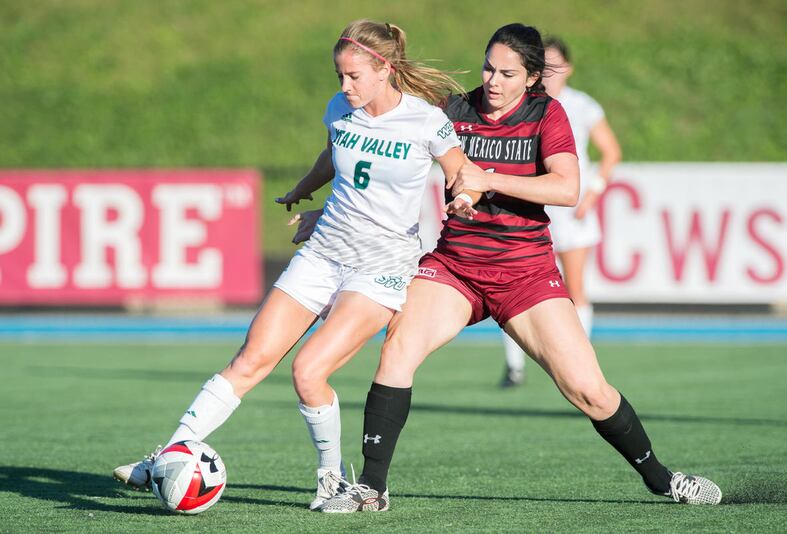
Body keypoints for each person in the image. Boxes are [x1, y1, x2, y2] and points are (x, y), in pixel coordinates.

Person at [319, 23, 721, 513]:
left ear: (531, 78)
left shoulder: (547, 114)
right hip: (456, 267)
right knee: (398, 348)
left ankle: (663, 479)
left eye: (508, 73)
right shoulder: (453, 110)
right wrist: (331, 209)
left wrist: (490, 178)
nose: (493, 79)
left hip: (525, 274)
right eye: (489, 66)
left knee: (588, 390)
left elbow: (567, 189)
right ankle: (372, 487)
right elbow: (388, 160)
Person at [112, 19, 475, 511]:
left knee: (308, 371)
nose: (344, 87)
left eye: (354, 76)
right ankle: (168, 456)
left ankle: (330, 480)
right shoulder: (340, 109)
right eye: (339, 76)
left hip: (381, 268)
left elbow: (459, 171)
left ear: (384, 69)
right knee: (250, 359)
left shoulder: (425, 120)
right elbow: (334, 153)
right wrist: (305, 188)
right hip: (324, 252)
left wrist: (465, 198)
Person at [498, 35, 623, 388]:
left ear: (567, 68)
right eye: (544, 65)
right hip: (527, 204)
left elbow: (611, 152)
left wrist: (592, 194)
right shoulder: (522, 103)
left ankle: (580, 361)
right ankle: (513, 367)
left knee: (575, 287)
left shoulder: (581, 105)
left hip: (570, 207)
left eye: (556, 64)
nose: (551, 73)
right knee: (513, 286)